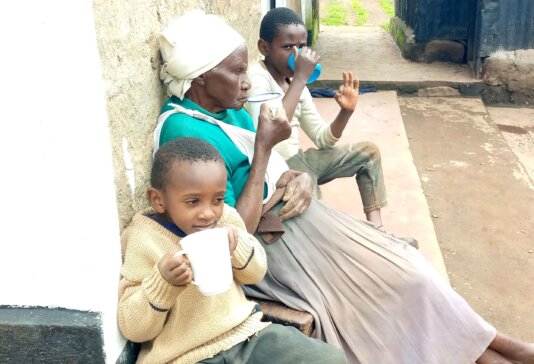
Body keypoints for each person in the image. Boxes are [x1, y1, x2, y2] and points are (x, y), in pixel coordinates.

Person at [153, 9, 534, 364]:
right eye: (236, 72)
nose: (246, 81)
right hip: (273, 248)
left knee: (409, 265)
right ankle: (493, 349)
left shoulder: (227, 108)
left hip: (296, 217)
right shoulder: (183, 131)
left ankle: (491, 346)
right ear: (201, 76)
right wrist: (266, 149)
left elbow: (275, 165)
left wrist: (299, 175)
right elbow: (235, 233)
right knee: (397, 282)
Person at [117, 137, 347, 363]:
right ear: (158, 200)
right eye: (193, 202)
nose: (208, 213)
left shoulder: (224, 218)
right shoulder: (143, 238)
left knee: (329, 358)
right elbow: (133, 329)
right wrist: (164, 282)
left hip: (245, 335)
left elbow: (255, 273)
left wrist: (237, 247)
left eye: (216, 199)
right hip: (185, 356)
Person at [245, 7, 387, 229]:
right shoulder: (257, 78)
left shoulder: (295, 82)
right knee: (317, 213)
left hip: (299, 158)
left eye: (302, 47)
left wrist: (345, 112)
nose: (297, 55)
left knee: (368, 153)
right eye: (287, 47)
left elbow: (323, 138)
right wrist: (301, 77)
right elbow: (273, 129)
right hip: (274, 167)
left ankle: (379, 230)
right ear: (264, 48)